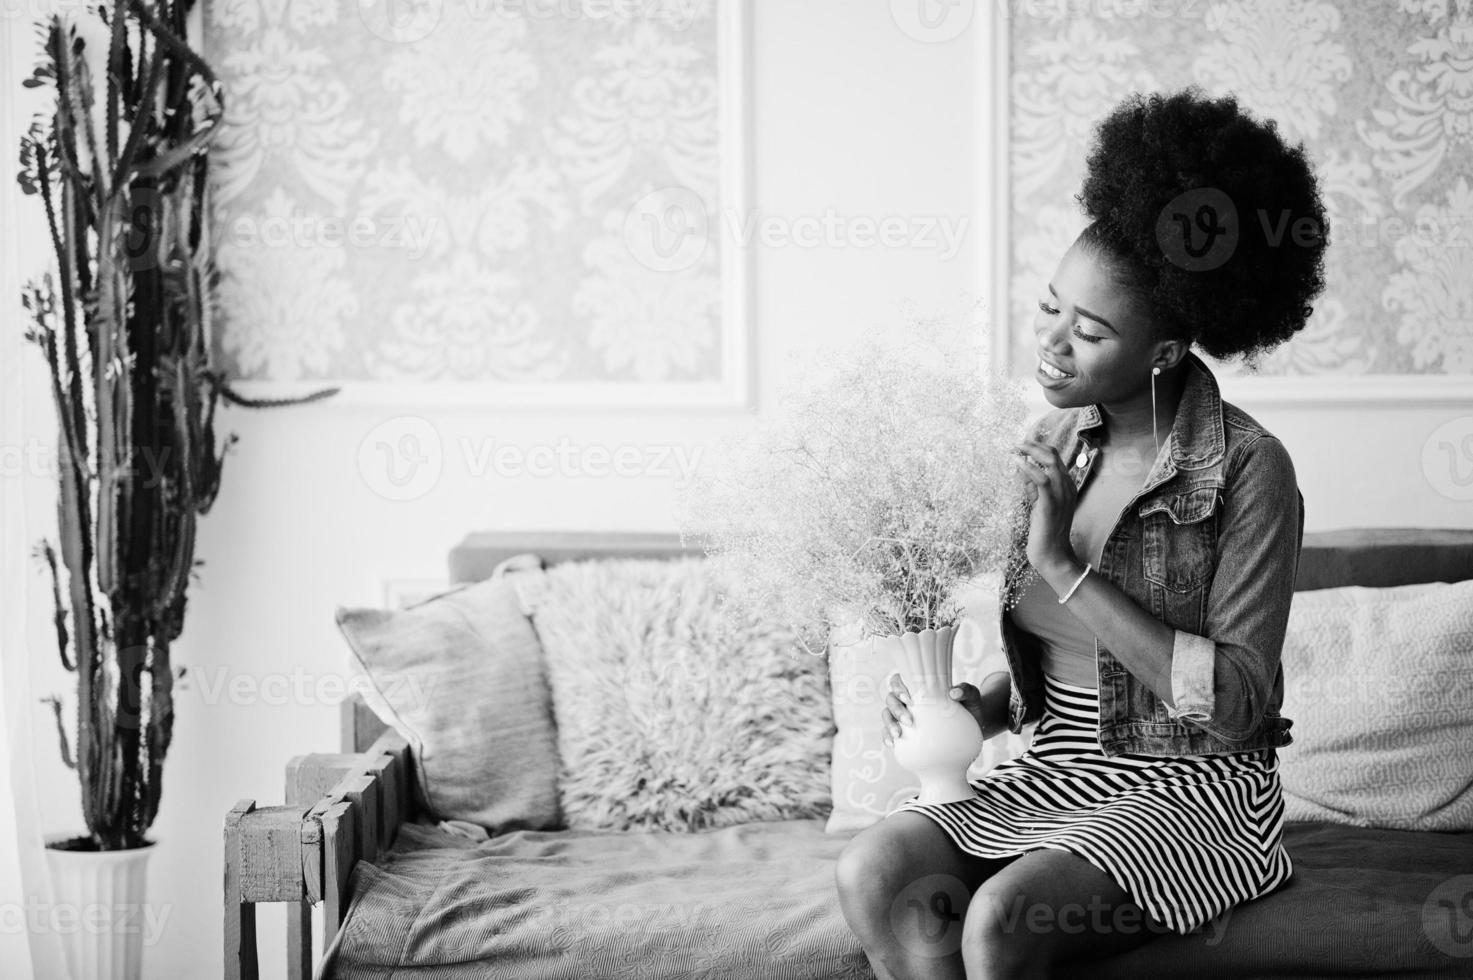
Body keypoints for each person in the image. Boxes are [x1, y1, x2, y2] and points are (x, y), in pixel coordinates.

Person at [835, 87, 1328, 980]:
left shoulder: (1251, 469)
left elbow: (1234, 705)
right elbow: (1061, 672)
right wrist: (971, 713)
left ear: (1166, 353)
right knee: (876, 870)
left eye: (1089, 331)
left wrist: (1061, 564)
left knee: (1001, 921)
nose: (1052, 344)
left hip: (1194, 786)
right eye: (1049, 307)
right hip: (1057, 770)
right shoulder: (1052, 443)